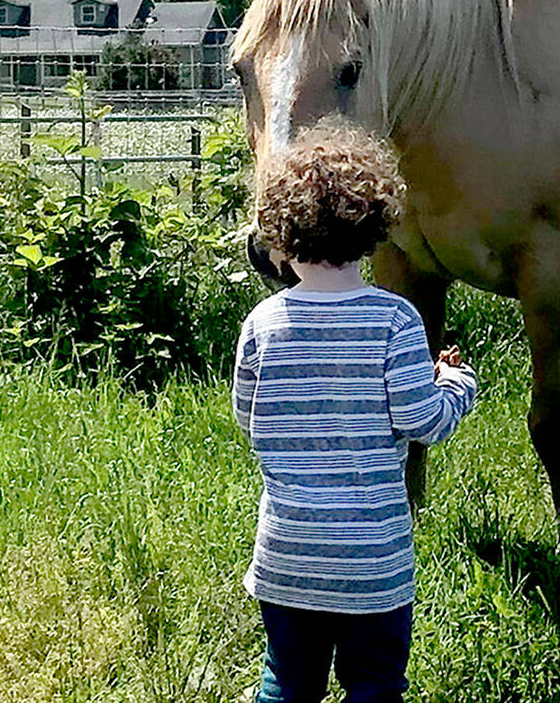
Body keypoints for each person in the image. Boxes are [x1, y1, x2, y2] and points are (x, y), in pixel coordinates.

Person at [233, 124, 477, 702]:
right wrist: (456, 382)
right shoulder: (393, 321)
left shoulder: (262, 325)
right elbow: (426, 421)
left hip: (287, 554)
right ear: (374, 228)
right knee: (374, 683)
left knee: (286, 683)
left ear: (281, 239)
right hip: (372, 560)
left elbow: (250, 420)